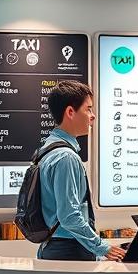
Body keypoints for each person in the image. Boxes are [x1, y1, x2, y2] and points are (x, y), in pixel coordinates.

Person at [37, 81, 124, 262]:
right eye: (89, 109)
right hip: (68, 250)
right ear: (70, 112)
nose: (93, 116)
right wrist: (102, 247)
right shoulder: (66, 157)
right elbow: (68, 216)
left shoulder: (48, 149)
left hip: (55, 246)